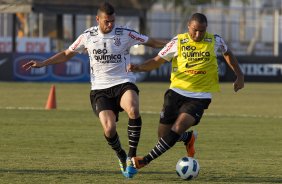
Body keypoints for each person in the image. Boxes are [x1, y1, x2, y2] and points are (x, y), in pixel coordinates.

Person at [22, 2, 166, 178]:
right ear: (98, 19)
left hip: (123, 82)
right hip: (100, 89)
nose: (110, 24)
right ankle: (120, 154)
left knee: (133, 108)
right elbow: (67, 54)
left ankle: (131, 156)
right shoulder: (88, 36)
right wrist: (43, 63)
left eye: (112, 21)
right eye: (107, 21)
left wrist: (176, 44)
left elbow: (152, 42)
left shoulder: (125, 33)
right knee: (109, 129)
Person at [127, 13, 244, 170]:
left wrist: (240, 75)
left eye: (201, 31)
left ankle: (146, 160)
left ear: (206, 29)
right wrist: (139, 67)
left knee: (178, 127)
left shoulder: (215, 40)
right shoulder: (178, 41)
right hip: (175, 93)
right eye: (195, 30)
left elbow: (228, 52)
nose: (198, 34)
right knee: (164, 136)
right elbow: (157, 61)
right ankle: (187, 138)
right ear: (188, 25)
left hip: (199, 97)